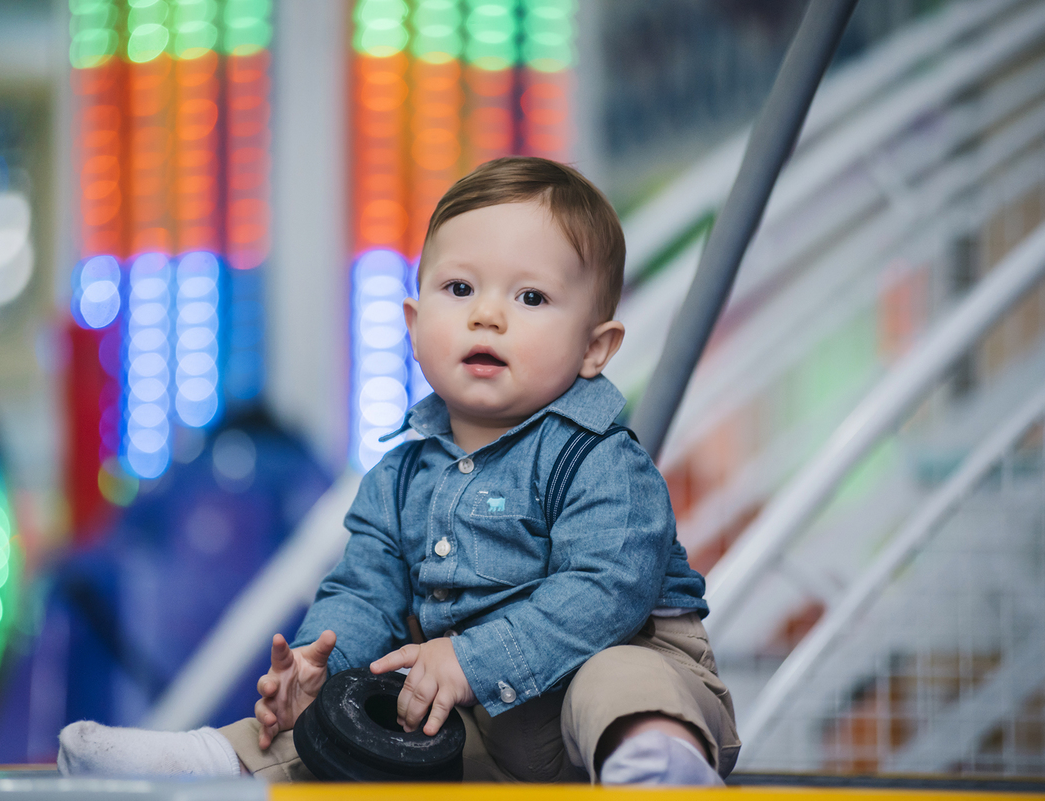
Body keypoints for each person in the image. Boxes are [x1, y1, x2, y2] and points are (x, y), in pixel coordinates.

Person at [58, 157, 739, 785]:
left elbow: (607, 589)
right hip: (480, 727)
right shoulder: (401, 475)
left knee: (618, 678)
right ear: (414, 324)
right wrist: (316, 666)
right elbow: (364, 591)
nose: (487, 314)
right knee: (348, 721)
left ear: (596, 347)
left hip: (599, 702)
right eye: (460, 287)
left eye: (530, 298)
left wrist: (471, 658)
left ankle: (657, 761)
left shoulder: (599, 459)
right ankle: (210, 762)